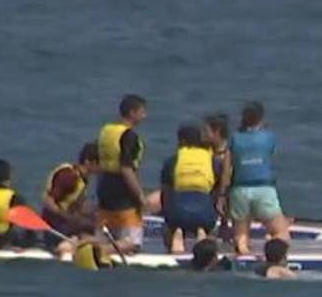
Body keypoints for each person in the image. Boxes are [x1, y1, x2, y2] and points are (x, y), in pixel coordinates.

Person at [219, 101, 290, 255]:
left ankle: (243, 252)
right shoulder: (268, 137)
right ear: (261, 118)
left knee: (241, 235)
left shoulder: (235, 138)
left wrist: (222, 194)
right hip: (263, 189)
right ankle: (272, 256)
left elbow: (227, 169)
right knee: (281, 233)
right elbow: (270, 154)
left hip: (239, 190)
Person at [96, 94, 148, 253]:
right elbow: (127, 169)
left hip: (104, 191)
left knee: (104, 238)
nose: (145, 115)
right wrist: (140, 197)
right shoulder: (129, 136)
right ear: (132, 113)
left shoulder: (106, 131)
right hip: (123, 196)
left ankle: (86, 246)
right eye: (142, 111)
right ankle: (100, 251)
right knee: (133, 244)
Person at [160, 124, 218, 253]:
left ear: (181, 141)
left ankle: (177, 244)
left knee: (177, 229)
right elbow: (217, 188)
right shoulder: (211, 160)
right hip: (205, 214)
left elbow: (166, 192)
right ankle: (202, 244)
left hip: (178, 213)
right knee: (203, 228)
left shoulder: (172, 161)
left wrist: (166, 214)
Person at [41, 142, 100, 255]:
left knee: (95, 222)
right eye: (99, 163)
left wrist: (98, 212)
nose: (102, 167)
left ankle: (78, 242)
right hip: (55, 226)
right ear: (88, 162)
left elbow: (77, 206)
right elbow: (48, 201)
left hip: (64, 222)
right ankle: (67, 246)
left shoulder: (82, 179)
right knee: (92, 229)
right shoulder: (69, 176)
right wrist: (65, 216)